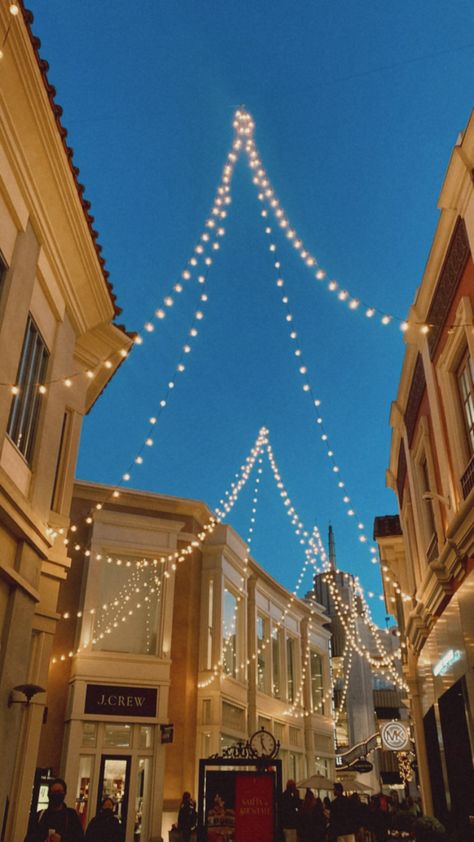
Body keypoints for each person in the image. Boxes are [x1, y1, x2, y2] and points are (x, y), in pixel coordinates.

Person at [25, 778, 84, 842]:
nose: (56, 795)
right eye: (53, 792)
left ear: (64, 794)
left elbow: (80, 839)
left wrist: (62, 839)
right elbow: (29, 839)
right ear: (49, 794)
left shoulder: (71, 816)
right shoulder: (39, 816)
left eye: (59, 792)